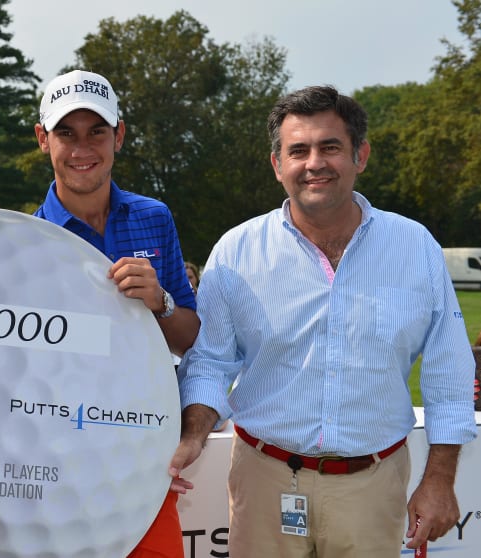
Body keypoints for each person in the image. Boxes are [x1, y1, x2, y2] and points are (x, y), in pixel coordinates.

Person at [171, 86, 477, 557]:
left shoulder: (414, 248)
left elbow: (449, 372)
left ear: (361, 155)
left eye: (330, 147)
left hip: (372, 485)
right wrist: (194, 434)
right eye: (298, 150)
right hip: (264, 478)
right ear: (277, 165)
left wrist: (439, 479)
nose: (315, 163)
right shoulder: (236, 252)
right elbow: (211, 361)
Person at [32, 69, 200, 558]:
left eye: (96, 132)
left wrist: (160, 302)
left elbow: (187, 337)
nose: (82, 147)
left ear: (119, 135)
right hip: (61, 462)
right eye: (66, 133)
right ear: (43, 140)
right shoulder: (26, 239)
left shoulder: (154, 216)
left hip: (142, 456)